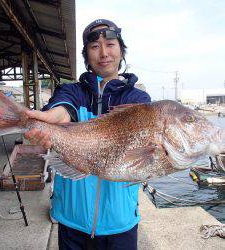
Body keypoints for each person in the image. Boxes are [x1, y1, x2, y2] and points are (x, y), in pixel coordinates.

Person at [24, 19, 151, 250]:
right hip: (72, 222)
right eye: (94, 47)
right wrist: (55, 117)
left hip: (120, 225)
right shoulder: (71, 91)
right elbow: (64, 107)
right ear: (86, 54)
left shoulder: (137, 101)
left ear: (121, 50)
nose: (103, 53)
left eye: (110, 44)